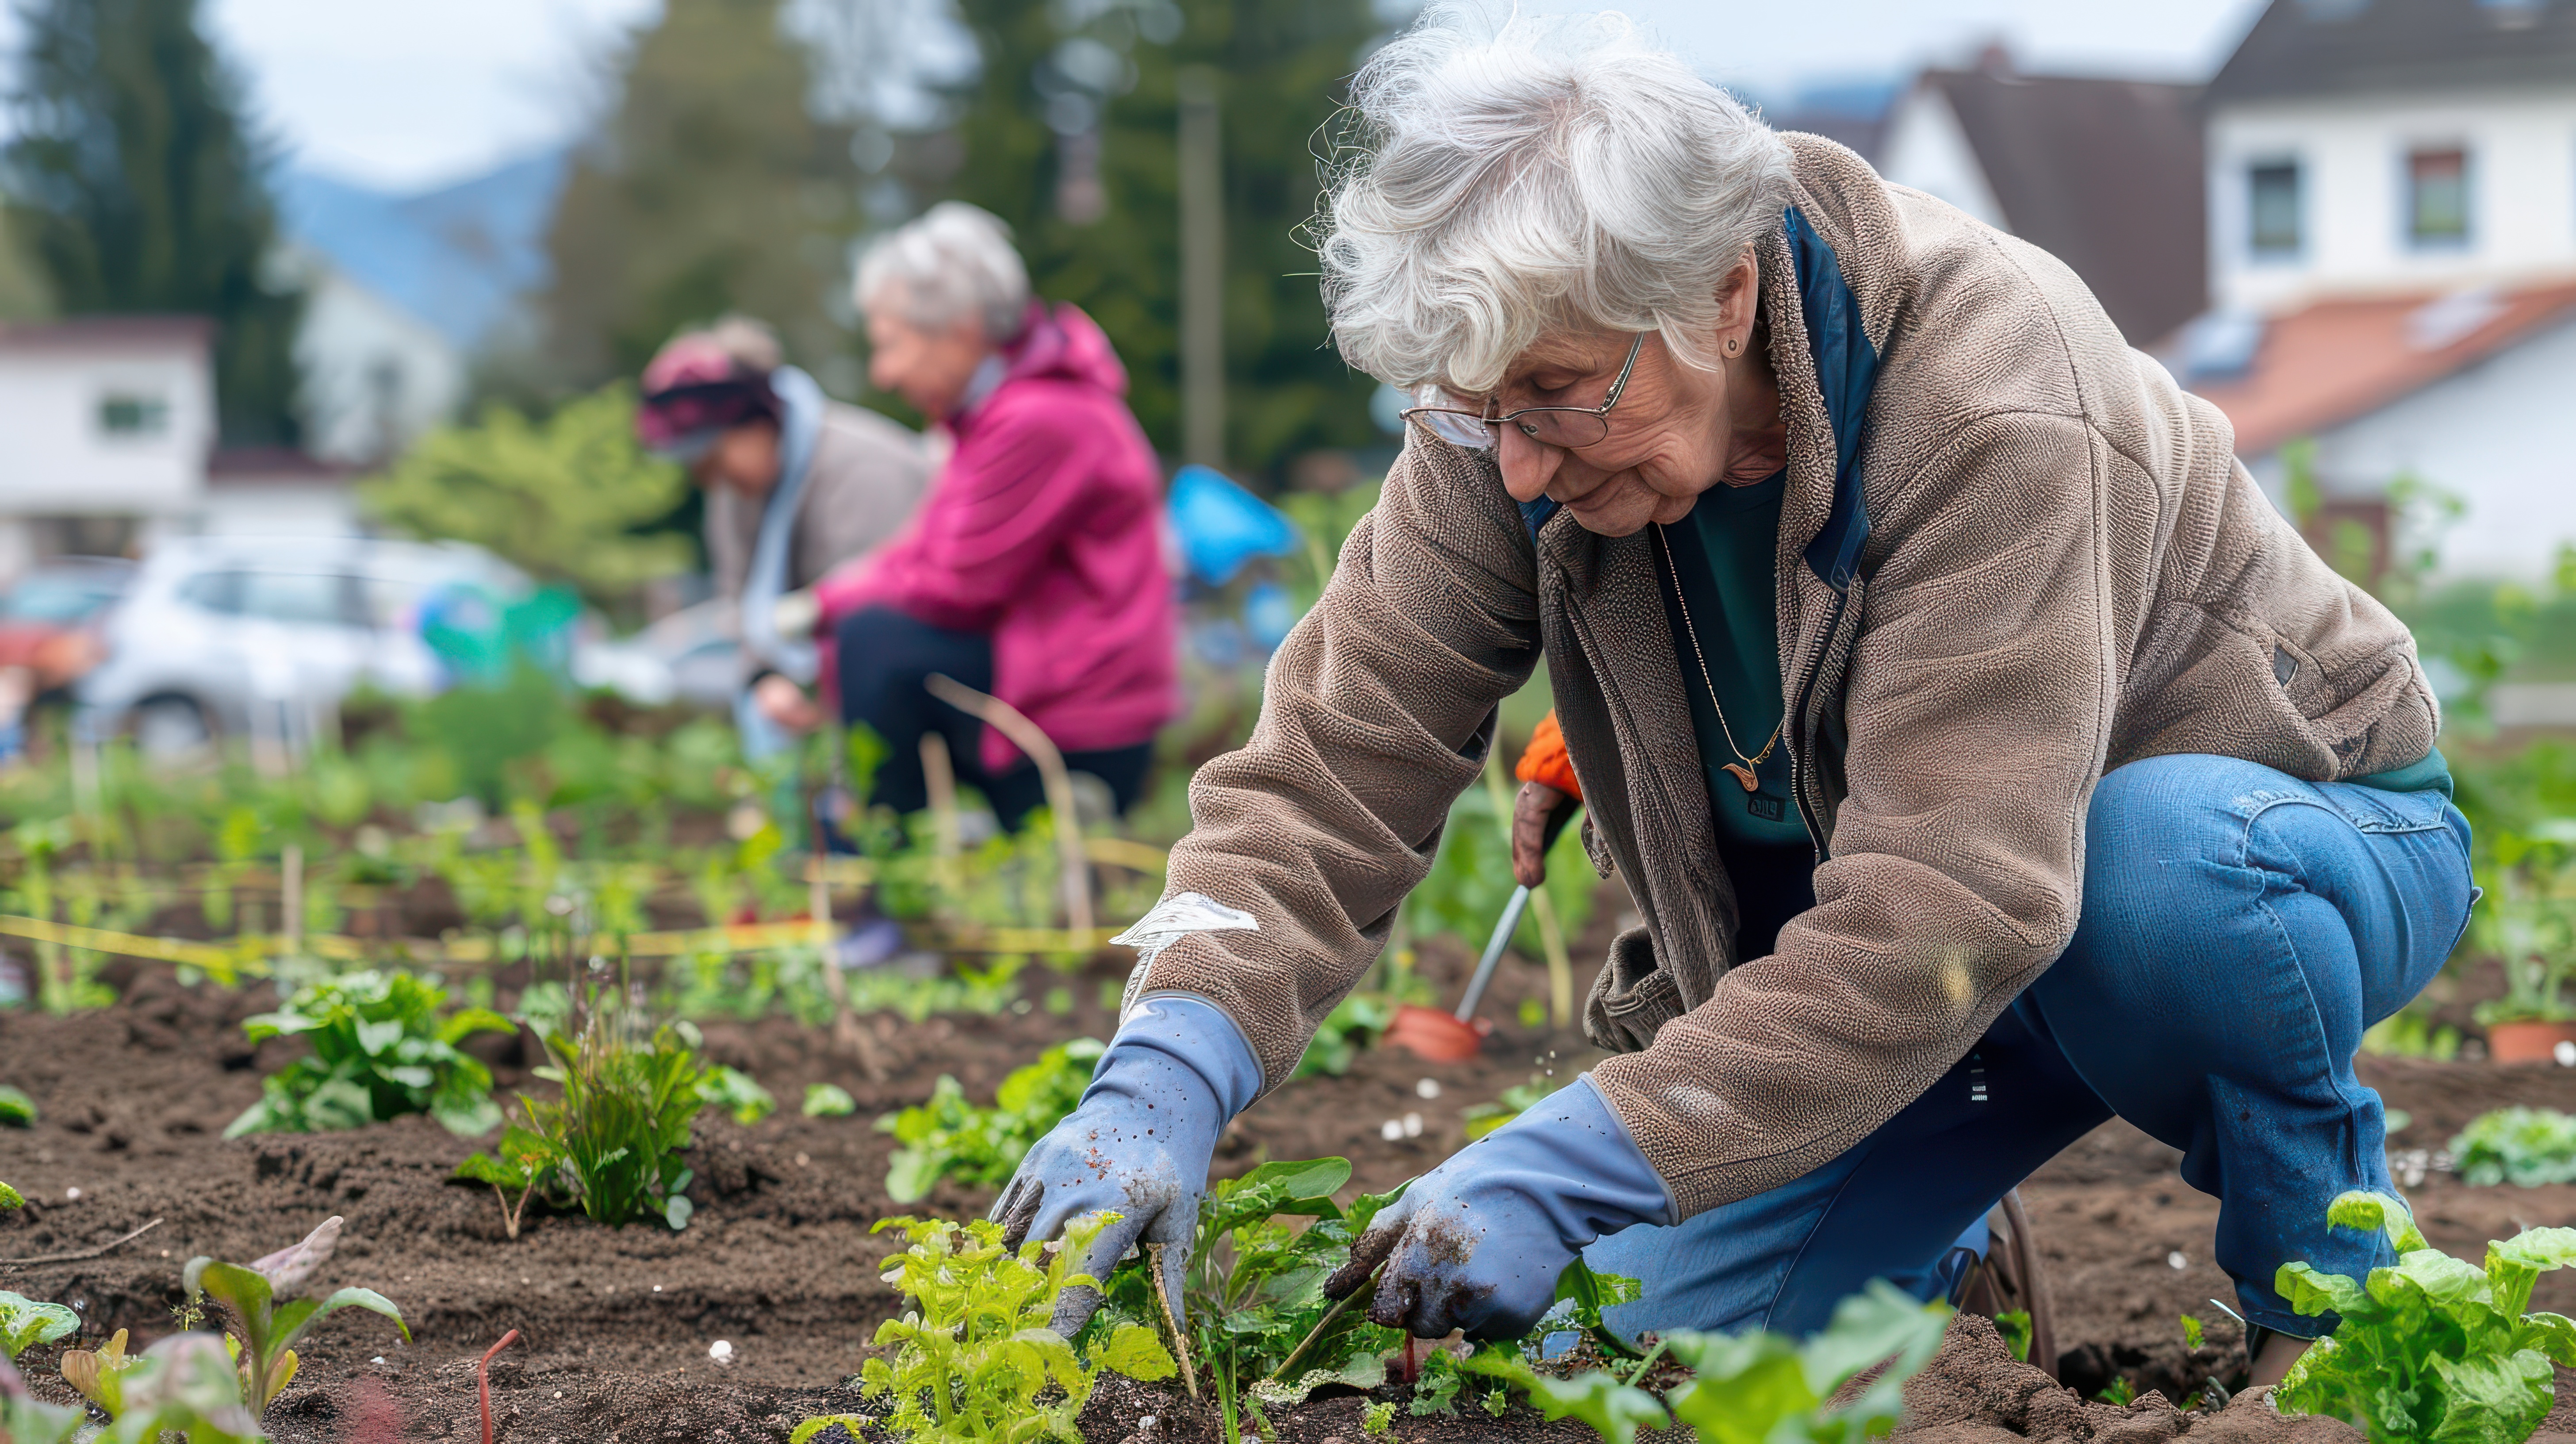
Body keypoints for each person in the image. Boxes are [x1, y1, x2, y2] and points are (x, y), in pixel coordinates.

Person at [989, 8, 2470, 1386]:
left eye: (1559, 394)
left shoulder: (1987, 396)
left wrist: (1563, 1155)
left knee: (2156, 868)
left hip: (2269, 836)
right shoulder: (1504, 419)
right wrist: (1167, 1064)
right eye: (1473, 406)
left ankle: (2327, 1311)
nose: (1513, 460)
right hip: (1910, 951)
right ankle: (1937, 1267)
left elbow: (1958, 899)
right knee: (1626, 1351)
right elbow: (1332, 761)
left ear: (1724, 295)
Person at [812, 203, 1177, 828]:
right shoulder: (999, 415)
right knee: (869, 634)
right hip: (1048, 677)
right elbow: (920, 549)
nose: (884, 372)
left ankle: (883, 861)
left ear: (958, 330)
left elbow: (957, 583)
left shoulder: (1038, 419)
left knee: (875, 642)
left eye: (891, 344)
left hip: (1080, 711)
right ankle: (891, 847)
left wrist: (826, 608)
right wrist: (824, 603)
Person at [636, 315, 929, 756]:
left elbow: (878, 623)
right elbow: (743, 611)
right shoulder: (735, 496)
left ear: (758, 421)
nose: (705, 479)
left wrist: (812, 692)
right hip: (819, 714)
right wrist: (765, 680)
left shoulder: (864, 471)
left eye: (712, 457)